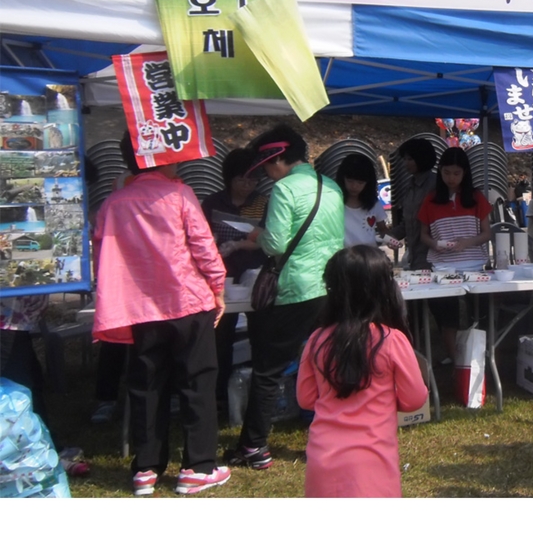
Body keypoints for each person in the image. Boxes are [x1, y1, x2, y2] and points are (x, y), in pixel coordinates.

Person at [92, 132, 230, 495]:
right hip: (187, 302)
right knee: (196, 383)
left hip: (140, 308)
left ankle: (145, 469)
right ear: (163, 158)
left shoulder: (113, 202)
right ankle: (197, 467)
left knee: (145, 386)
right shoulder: (179, 194)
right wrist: (218, 287)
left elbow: (100, 254)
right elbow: (203, 245)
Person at [227, 125, 344, 471]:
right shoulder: (331, 185)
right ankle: (330, 437)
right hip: (329, 287)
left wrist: (258, 235)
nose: (264, 172)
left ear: (277, 159)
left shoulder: (284, 189)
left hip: (294, 289)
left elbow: (276, 244)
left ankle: (255, 447)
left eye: (265, 165)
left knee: (268, 370)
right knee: (327, 366)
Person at [297, 245, 427, 497]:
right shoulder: (392, 341)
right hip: (374, 461)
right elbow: (415, 399)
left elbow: (305, 398)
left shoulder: (317, 340)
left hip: (321, 459)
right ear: (384, 290)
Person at [200, 148, 269, 406]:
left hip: (254, 272)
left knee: (259, 331)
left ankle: (255, 392)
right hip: (221, 277)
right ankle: (218, 395)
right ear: (228, 178)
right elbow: (201, 236)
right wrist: (215, 244)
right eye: (242, 180)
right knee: (221, 335)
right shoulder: (213, 203)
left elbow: (267, 237)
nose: (247, 185)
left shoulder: (263, 202)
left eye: (253, 180)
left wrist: (239, 245)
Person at [418, 147, 492, 361]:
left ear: (465, 173)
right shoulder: (431, 200)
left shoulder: (476, 198)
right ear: (440, 172)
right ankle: (456, 358)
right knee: (446, 315)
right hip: (443, 267)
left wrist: (466, 242)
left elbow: (487, 233)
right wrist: (434, 243)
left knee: (478, 313)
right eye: (447, 173)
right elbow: (423, 235)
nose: (451, 178)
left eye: (456, 173)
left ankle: (479, 356)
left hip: (475, 265)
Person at [337, 153, 394, 249]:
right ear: (342, 178)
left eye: (360, 183)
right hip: (344, 258)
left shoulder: (373, 203)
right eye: (350, 181)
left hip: (369, 258)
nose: (354, 186)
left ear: (368, 183)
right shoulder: (335, 202)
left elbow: (382, 229)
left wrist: (391, 241)